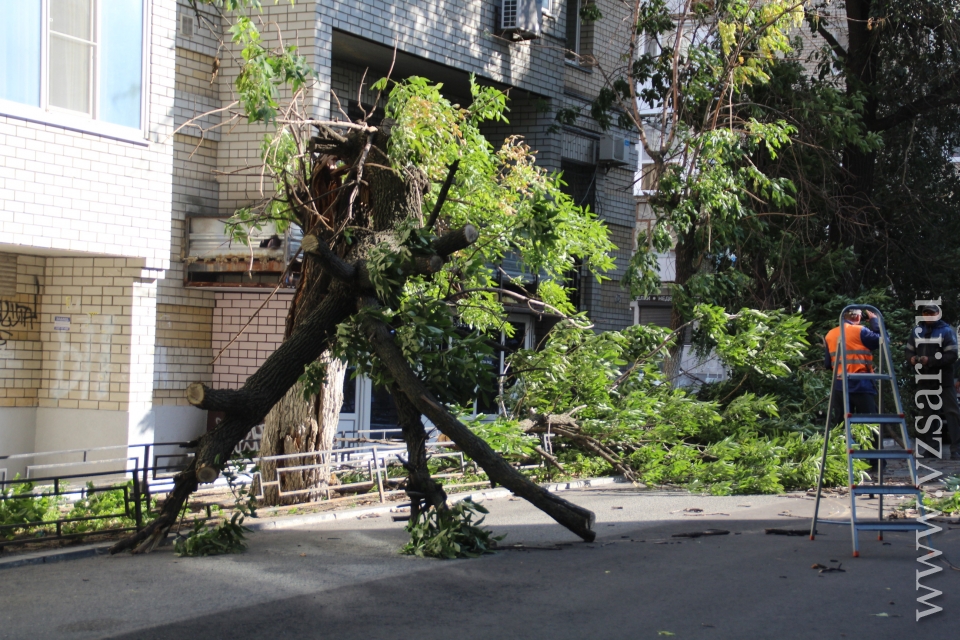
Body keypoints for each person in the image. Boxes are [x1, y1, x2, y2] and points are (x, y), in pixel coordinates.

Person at [906, 304, 960, 461]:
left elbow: (952, 355)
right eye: (926, 313)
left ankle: (956, 450)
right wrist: (911, 358)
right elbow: (908, 350)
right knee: (927, 414)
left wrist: (930, 361)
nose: (929, 316)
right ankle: (931, 448)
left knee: (952, 413)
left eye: (932, 313)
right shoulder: (917, 331)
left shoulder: (946, 331)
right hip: (924, 379)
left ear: (938, 314)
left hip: (944, 379)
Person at [824, 308, 881, 426]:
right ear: (858, 316)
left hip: (839, 385)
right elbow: (883, 340)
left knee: (841, 425)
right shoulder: (860, 331)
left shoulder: (830, 334)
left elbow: (827, 364)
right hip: (861, 384)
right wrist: (874, 321)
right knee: (869, 424)